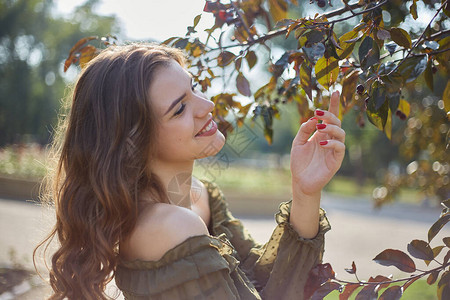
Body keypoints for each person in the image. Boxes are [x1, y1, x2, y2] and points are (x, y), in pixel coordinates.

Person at [34, 43, 345, 300]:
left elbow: (261, 281)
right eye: (180, 108)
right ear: (135, 140)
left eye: (194, 88)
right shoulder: (171, 227)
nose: (207, 104)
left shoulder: (200, 194)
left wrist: (305, 191)